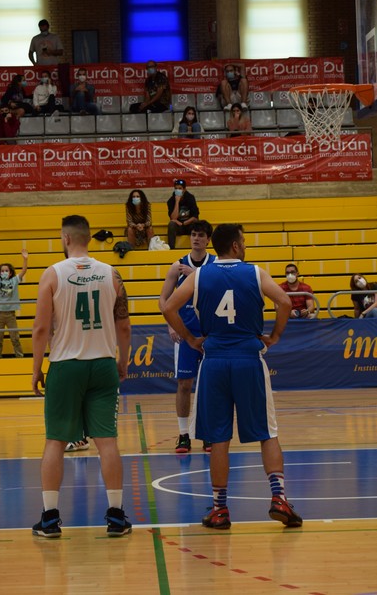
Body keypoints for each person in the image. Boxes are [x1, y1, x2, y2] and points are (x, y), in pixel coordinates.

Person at [162, 223, 301, 530]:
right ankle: (278, 498)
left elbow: (169, 306)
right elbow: (286, 302)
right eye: (244, 241)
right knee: (267, 432)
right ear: (236, 246)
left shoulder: (199, 276)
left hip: (213, 361)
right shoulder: (255, 273)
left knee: (219, 437)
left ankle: (220, 509)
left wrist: (189, 338)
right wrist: (275, 335)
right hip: (248, 359)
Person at [31, 215, 132, 539]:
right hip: (102, 362)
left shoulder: (52, 274)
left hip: (66, 364)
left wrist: (36, 369)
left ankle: (49, 519)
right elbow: (125, 325)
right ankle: (116, 516)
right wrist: (123, 361)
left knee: (56, 442)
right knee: (107, 443)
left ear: (65, 238)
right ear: (88, 238)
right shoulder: (111, 273)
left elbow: (41, 329)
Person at [158, 220, 215, 454]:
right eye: (193, 235)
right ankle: (183, 435)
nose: (196, 239)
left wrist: (197, 275)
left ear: (208, 239)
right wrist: (172, 324)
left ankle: (208, 433)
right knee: (184, 385)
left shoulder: (215, 265)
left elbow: (218, 292)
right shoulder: (177, 266)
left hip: (211, 335)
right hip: (185, 334)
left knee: (211, 386)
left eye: (201, 235)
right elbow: (163, 300)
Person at [0, 248, 28, 359]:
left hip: (11, 314)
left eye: (6, 270)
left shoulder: (14, 280)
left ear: (10, 272)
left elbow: (23, 271)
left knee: (15, 338)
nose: (4, 272)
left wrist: (25, 259)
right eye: (2, 271)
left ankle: (20, 357)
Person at [166, 178, 199, 249]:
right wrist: (177, 202)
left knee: (196, 224)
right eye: (176, 188)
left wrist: (184, 223)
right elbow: (173, 218)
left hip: (189, 225)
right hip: (178, 227)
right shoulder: (171, 201)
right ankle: (171, 248)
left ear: (184, 189)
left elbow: (195, 217)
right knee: (171, 224)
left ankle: (196, 248)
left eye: (180, 188)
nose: (178, 190)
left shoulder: (190, 198)